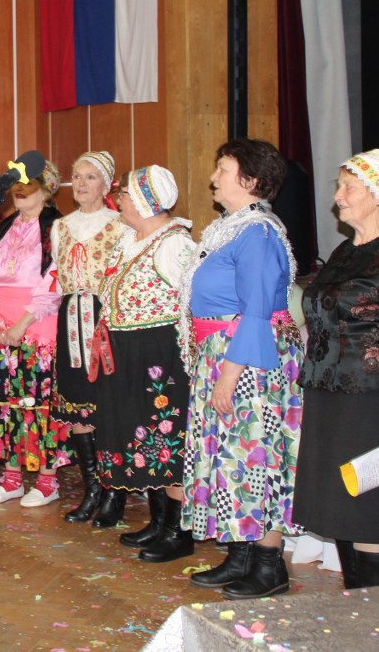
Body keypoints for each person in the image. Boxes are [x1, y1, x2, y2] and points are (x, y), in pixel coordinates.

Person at [178, 139, 304, 600]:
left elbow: (256, 309)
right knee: (230, 456)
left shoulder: (258, 233)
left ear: (250, 180)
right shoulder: (231, 229)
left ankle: (269, 565)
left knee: (256, 454)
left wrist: (229, 373)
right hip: (224, 352)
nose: (213, 178)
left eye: (223, 169)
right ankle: (239, 556)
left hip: (248, 358)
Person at [292, 151, 379, 589]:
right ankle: (356, 600)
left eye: (349, 188)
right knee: (338, 504)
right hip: (328, 394)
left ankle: (375, 603)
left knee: (367, 507)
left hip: (370, 398)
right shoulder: (347, 250)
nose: (338, 197)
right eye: (339, 186)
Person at [92, 167, 196, 561]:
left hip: (159, 354)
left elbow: (193, 303)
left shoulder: (174, 243)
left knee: (166, 437)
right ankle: (159, 521)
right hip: (127, 351)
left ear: (144, 202)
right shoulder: (129, 239)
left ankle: (179, 532)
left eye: (125, 195)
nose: (118, 200)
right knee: (143, 437)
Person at [0, 163, 66, 507]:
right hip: (0, 325)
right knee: (6, 401)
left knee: (39, 402)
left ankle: (46, 481)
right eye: (16, 183)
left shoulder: (56, 228)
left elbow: (54, 282)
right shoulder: (5, 225)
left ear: (47, 190)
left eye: (28, 183)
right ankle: (12, 477)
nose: (19, 189)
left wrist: (22, 324)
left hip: (37, 324)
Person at [51, 152, 126, 524]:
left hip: (105, 318)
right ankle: (92, 488)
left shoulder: (120, 224)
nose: (81, 184)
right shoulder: (60, 226)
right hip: (70, 320)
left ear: (106, 184)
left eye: (90, 177)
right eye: (76, 176)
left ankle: (114, 492)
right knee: (78, 401)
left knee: (107, 403)